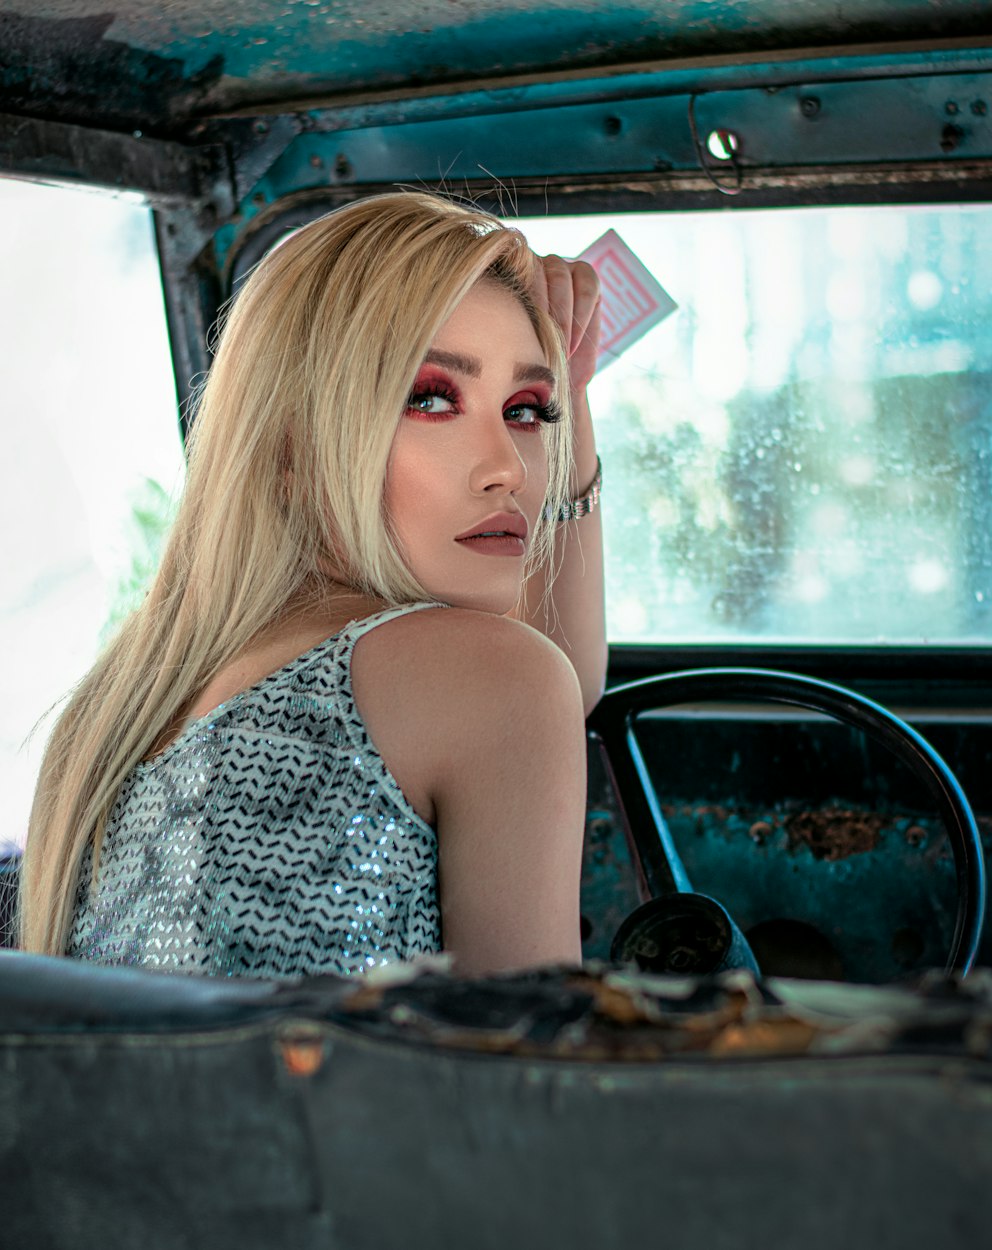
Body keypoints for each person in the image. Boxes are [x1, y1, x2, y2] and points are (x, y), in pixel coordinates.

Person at [18, 191, 606, 979]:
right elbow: (532, 1079)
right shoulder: (488, 679)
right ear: (296, 445)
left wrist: (577, 396)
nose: (507, 468)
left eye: (530, 410)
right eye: (430, 399)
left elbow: (563, 678)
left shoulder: (117, 707)